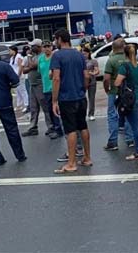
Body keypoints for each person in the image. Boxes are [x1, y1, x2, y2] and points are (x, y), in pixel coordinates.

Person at [51, 29, 92, 174]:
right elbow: (86, 75)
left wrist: (54, 100)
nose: (55, 42)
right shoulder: (79, 55)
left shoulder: (57, 56)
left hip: (66, 97)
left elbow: (56, 78)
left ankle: (71, 162)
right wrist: (83, 88)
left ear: (60, 39)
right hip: (80, 95)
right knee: (83, 126)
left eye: (56, 39)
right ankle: (87, 157)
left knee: (70, 130)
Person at [0, 45, 27, 166]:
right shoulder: (4, 66)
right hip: (5, 103)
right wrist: (7, 86)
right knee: (12, 129)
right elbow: (15, 81)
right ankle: (20, 155)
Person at [114, 45, 138, 160]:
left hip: (131, 98)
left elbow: (117, 83)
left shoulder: (125, 66)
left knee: (135, 125)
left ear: (125, 54)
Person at [103, 39, 134, 151]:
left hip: (114, 91)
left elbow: (106, 78)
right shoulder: (129, 59)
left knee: (112, 115)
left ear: (113, 48)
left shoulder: (111, 60)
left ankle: (113, 142)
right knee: (128, 115)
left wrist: (107, 89)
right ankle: (130, 139)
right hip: (128, 92)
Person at [22, 39, 53, 137]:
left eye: (33, 46)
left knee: (45, 107)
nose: (31, 48)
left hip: (40, 84)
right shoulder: (34, 57)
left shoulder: (41, 57)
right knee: (33, 107)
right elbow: (25, 70)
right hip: (32, 84)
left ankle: (51, 126)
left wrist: (28, 56)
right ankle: (33, 127)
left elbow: (31, 66)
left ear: (39, 47)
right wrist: (30, 64)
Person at [38, 41, 64, 139]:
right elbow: (40, 72)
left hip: (55, 86)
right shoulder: (41, 59)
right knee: (49, 109)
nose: (46, 48)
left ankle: (58, 129)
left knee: (55, 109)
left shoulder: (55, 57)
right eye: (44, 47)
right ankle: (53, 127)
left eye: (48, 46)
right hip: (45, 87)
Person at [9, 46, 28, 112]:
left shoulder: (18, 57)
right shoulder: (12, 58)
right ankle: (19, 104)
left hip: (20, 76)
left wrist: (19, 75)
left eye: (10, 50)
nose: (9, 52)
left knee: (22, 90)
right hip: (14, 76)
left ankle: (26, 104)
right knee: (17, 91)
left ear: (13, 51)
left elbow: (20, 66)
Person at [82, 47, 99, 121]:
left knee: (91, 98)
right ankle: (82, 114)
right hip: (82, 81)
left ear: (89, 53)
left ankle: (91, 113)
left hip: (92, 81)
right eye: (82, 54)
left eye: (85, 53)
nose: (84, 55)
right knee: (82, 98)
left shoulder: (93, 61)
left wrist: (92, 73)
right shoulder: (80, 61)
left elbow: (97, 71)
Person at [21, 45, 31, 113]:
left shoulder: (25, 58)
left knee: (29, 93)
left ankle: (29, 106)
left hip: (28, 77)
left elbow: (22, 67)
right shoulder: (33, 57)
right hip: (28, 76)